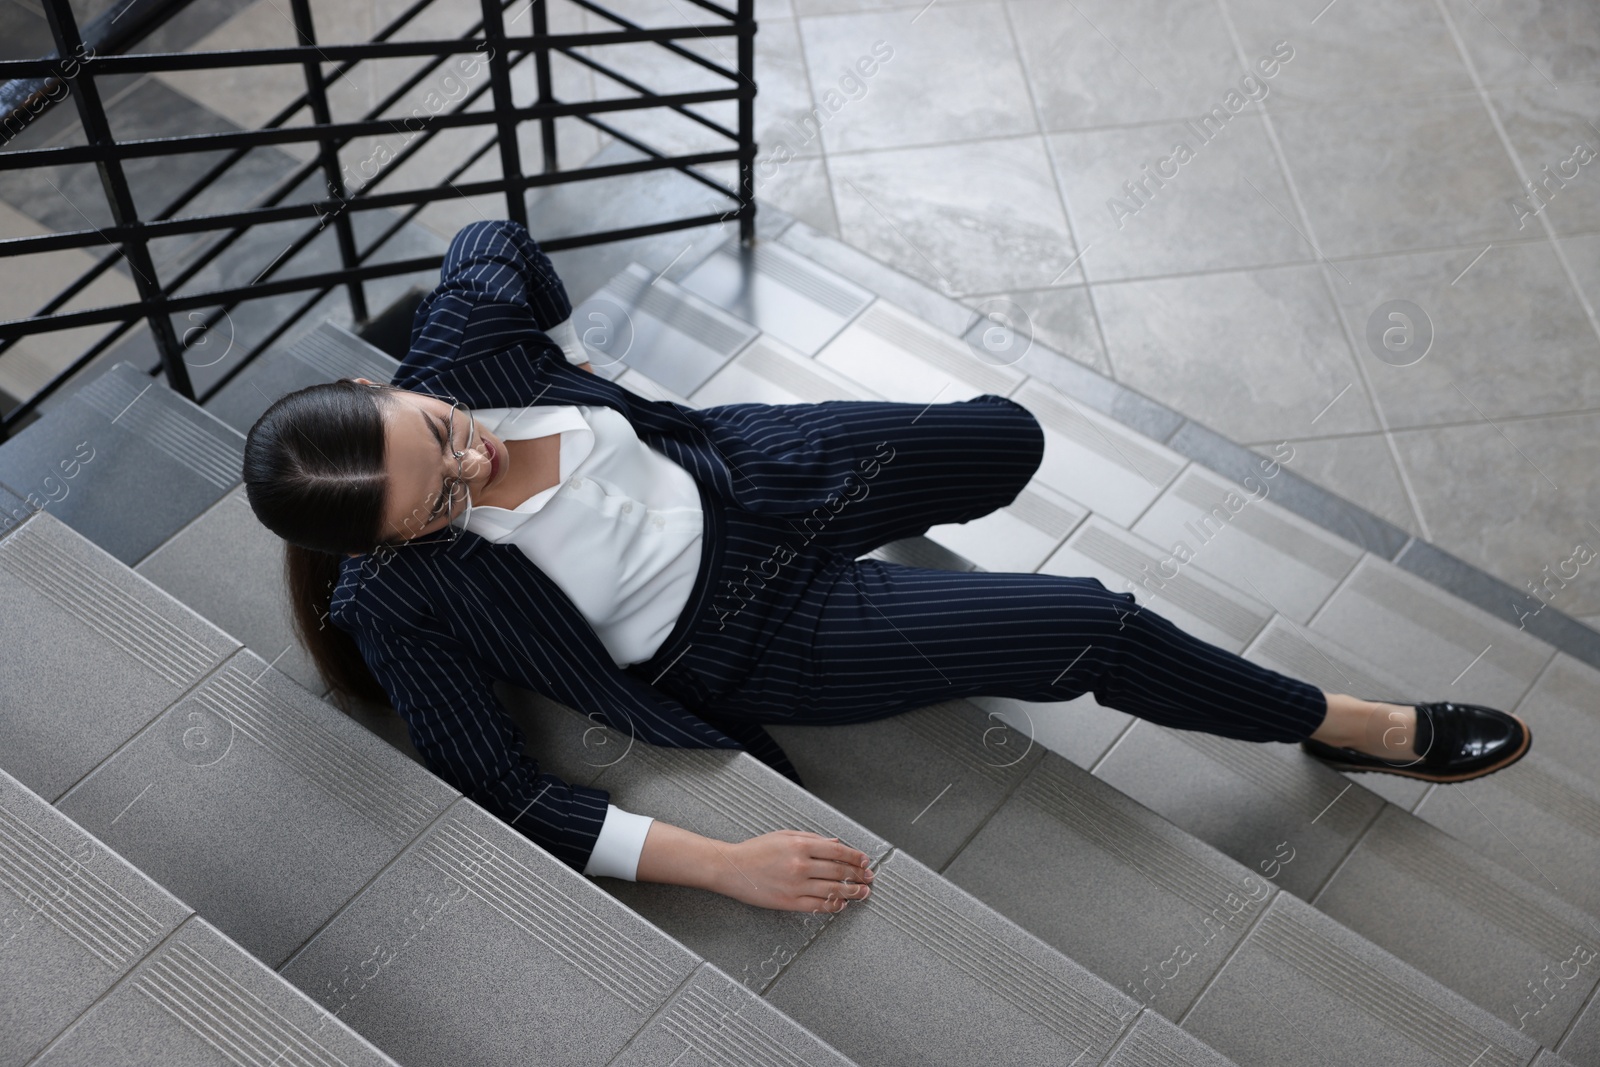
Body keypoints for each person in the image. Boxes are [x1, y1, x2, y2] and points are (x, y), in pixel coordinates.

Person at [241, 220, 1531, 916]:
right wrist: (721, 862)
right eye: (437, 498)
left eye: (440, 440)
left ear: (386, 385)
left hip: (745, 476)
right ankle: (1352, 725)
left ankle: (928, 592)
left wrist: (558, 361)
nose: (468, 470)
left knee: (1007, 442)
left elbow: (492, 245)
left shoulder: (460, 355)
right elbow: (506, 792)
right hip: (743, 628)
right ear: (400, 537)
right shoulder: (403, 603)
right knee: (1084, 624)